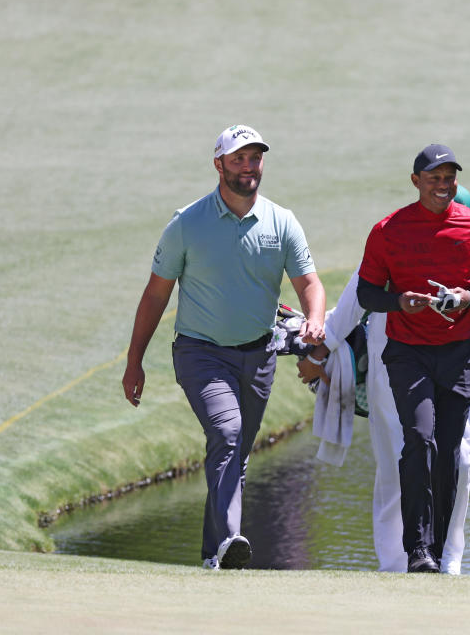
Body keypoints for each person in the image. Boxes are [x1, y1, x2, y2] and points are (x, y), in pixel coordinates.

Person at [121, 124, 326, 571]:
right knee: (228, 434)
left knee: (236, 450)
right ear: (219, 165)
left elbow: (309, 283)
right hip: (201, 353)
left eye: (254, 158)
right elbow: (155, 295)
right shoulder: (187, 224)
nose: (248, 167)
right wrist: (134, 361)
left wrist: (314, 318)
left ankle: (215, 556)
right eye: (238, 159)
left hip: (260, 355)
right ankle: (230, 537)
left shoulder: (281, 221)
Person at [297, 186, 470, 574]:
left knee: (461, 459)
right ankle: (399, 563)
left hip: (453, 364)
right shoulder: (399, 237)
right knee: (400, 464)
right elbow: (354, 301)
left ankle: (447, 558)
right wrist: (318, 352)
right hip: (390, 365)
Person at [356, 145, 470, 572]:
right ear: (416, 181)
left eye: (449, 178)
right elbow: (368, 293)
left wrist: (467, 296)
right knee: (419, 439)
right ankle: (417, 550)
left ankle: (438, 552)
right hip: (407, 353)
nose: (442, 185)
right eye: (434, 177)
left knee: (448, 454)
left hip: (458, 355)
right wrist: (398, 301)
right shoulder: (388, 230)